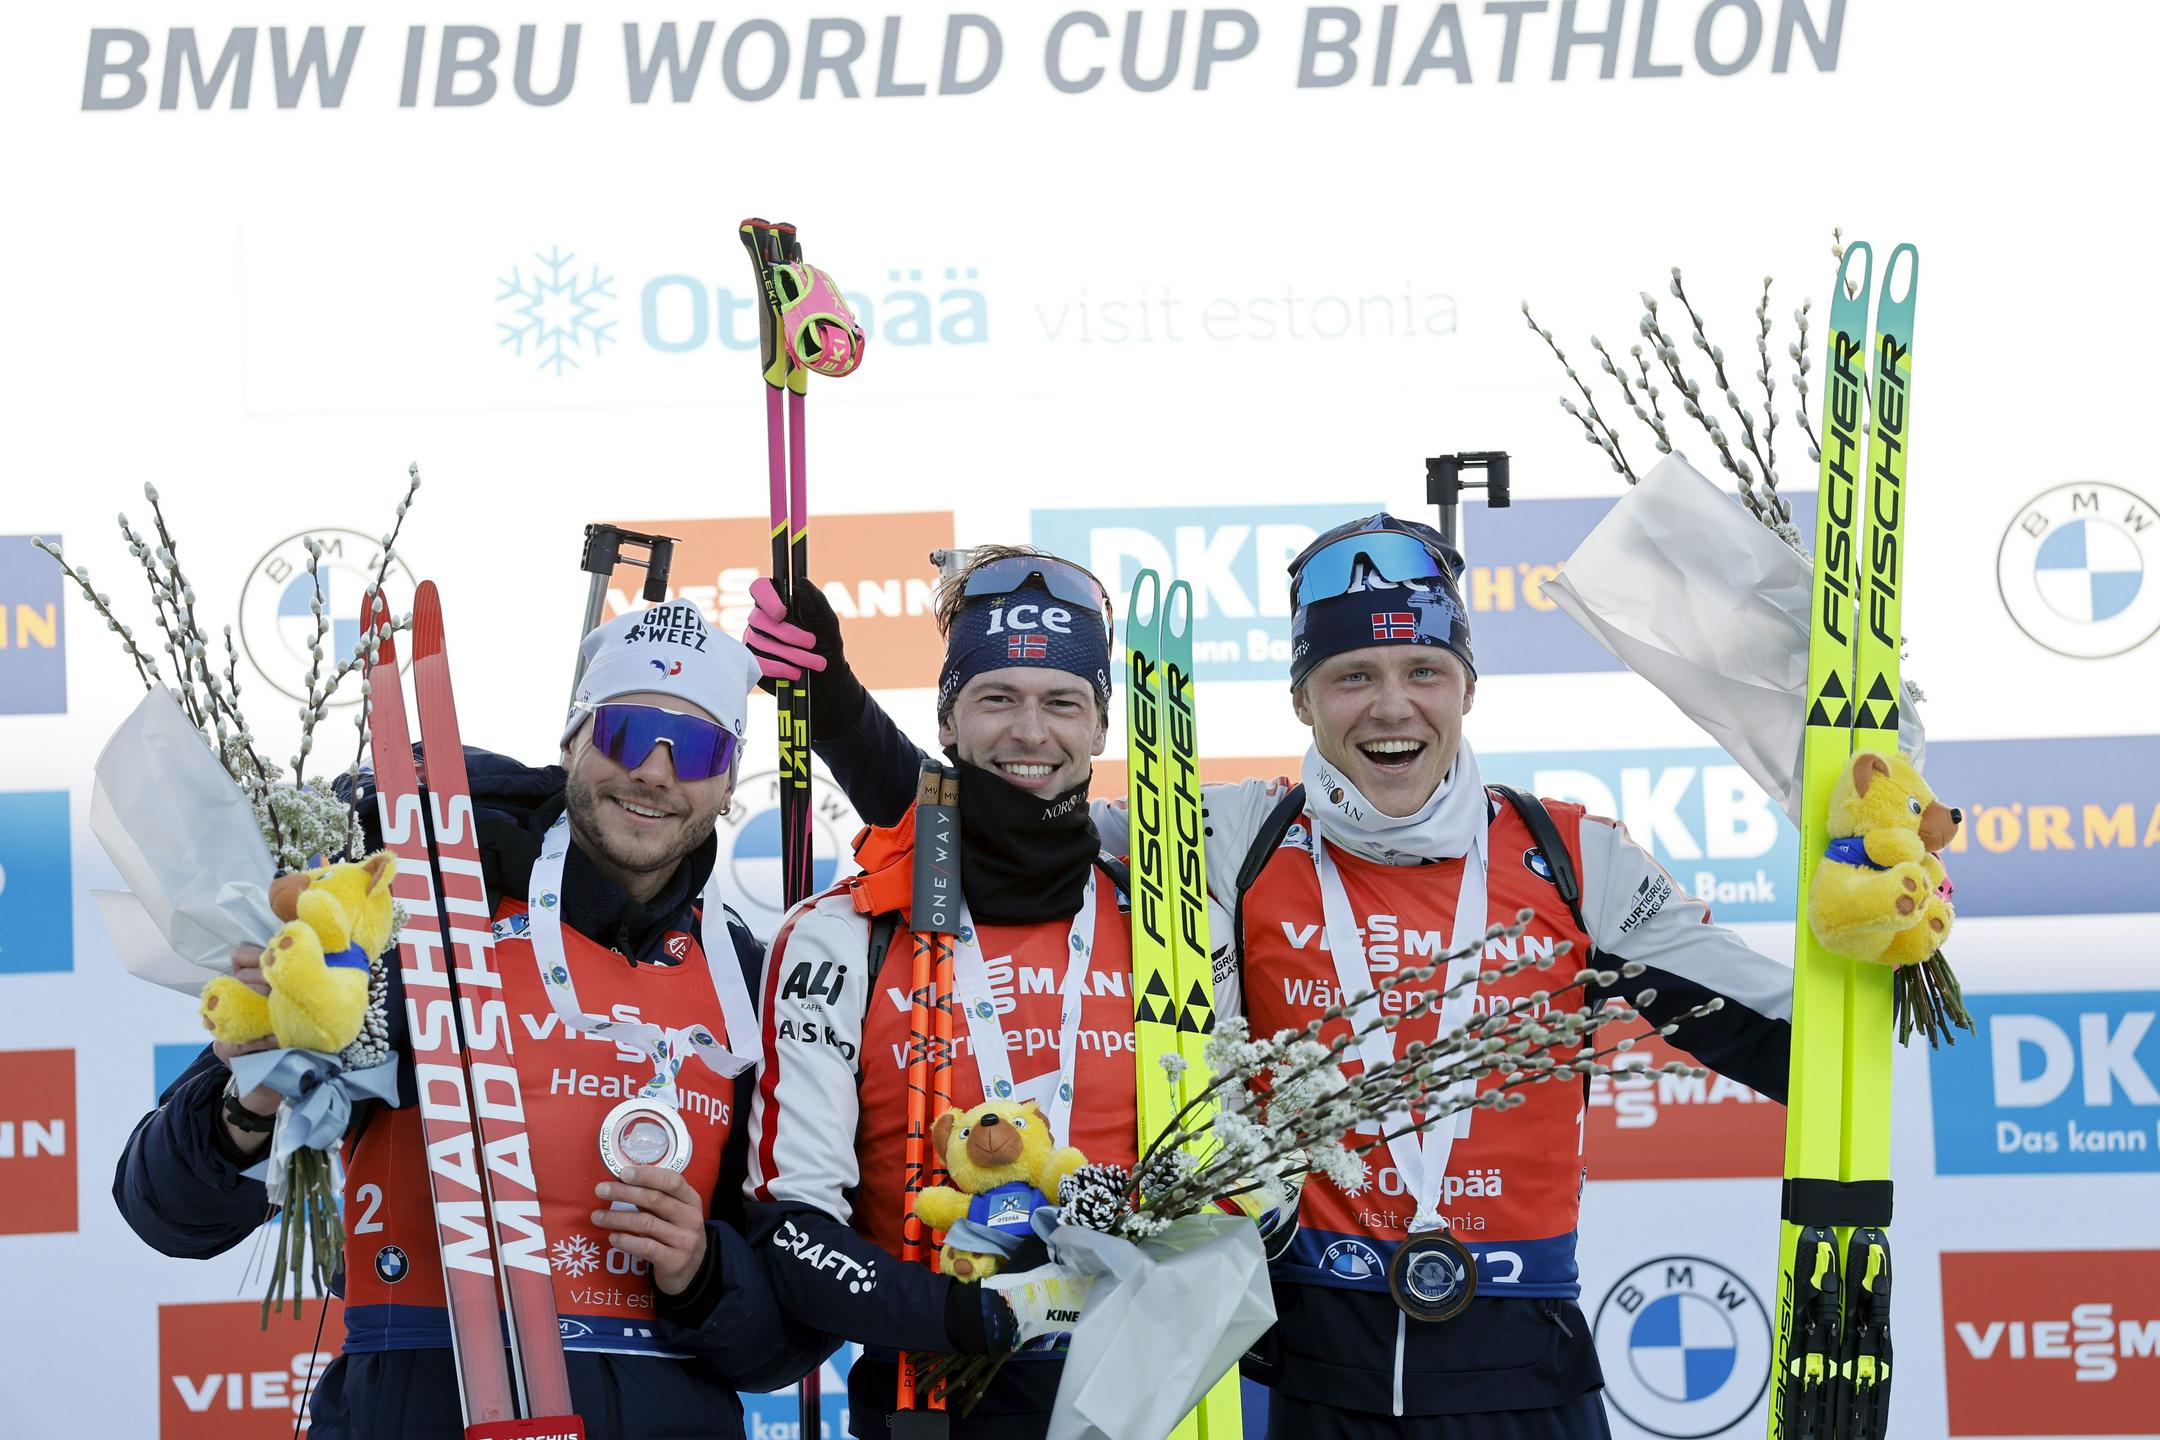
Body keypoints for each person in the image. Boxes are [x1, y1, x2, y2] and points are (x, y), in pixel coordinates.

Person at [753, 517, 1795, 1439]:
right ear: (1303, 697)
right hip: (1305, 1372)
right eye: (1352, 676)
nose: (1392, 707)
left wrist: (1882, 916)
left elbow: (1774, 1033)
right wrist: (837, 705)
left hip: (1520, 1366)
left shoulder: (1572, 857)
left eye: (1424, 670)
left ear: (1468, 686)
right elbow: (991, 816)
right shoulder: (1220, 843)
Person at [116, 600, 821, 1440]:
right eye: (628, 733)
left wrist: (705, 1274)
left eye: (699, 747)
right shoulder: (421, 920)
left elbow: (785, 1342)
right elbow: (164, 1209)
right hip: (420, 1397)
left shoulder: (749, 980)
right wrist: (249, 1108)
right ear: (574, 742)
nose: (658, 774)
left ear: (728, 777)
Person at [743, 547, 1176, 1438]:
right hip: (929, 1402)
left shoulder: (1174, 916)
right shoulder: (843, 933)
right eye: (996, 698)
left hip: (1149, 1401)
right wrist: (957, 1316)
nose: (1030, 731)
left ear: (1100, 729)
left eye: (1063, 701)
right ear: (948, 722)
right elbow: (792, 1229)